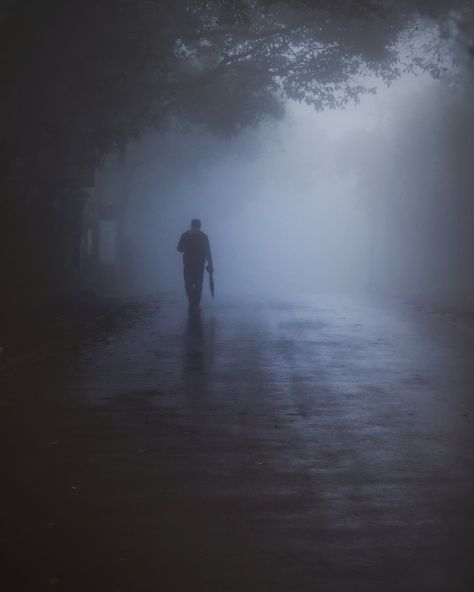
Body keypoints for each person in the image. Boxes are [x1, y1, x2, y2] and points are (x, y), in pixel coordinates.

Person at [177, 219, 213, 312]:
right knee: (198, 284)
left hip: (188, 263)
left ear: (191, 225)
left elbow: (179, 249)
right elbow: (207, 251)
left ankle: (191, 302)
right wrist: (210, 263)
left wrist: (187, 248)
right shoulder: (203, 236)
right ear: (200, 226)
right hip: (199, 264)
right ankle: (196, 304)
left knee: (188, 283)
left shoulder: (185, 235)